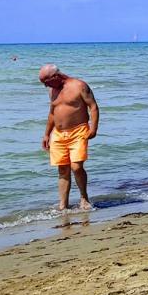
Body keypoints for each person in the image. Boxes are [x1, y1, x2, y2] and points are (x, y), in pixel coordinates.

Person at [39, 64, 99, 210]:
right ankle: (63, 205)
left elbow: (93, 107)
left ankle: (84, 198)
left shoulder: (79, 86)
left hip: (78, 131)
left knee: (76, 167)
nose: (45, 85)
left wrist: (93, 128)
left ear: (56, 76)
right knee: (63, 169)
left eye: (46, 81)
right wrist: (47, 133)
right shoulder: (52, 90)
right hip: (58, 134)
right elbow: (52, 112)